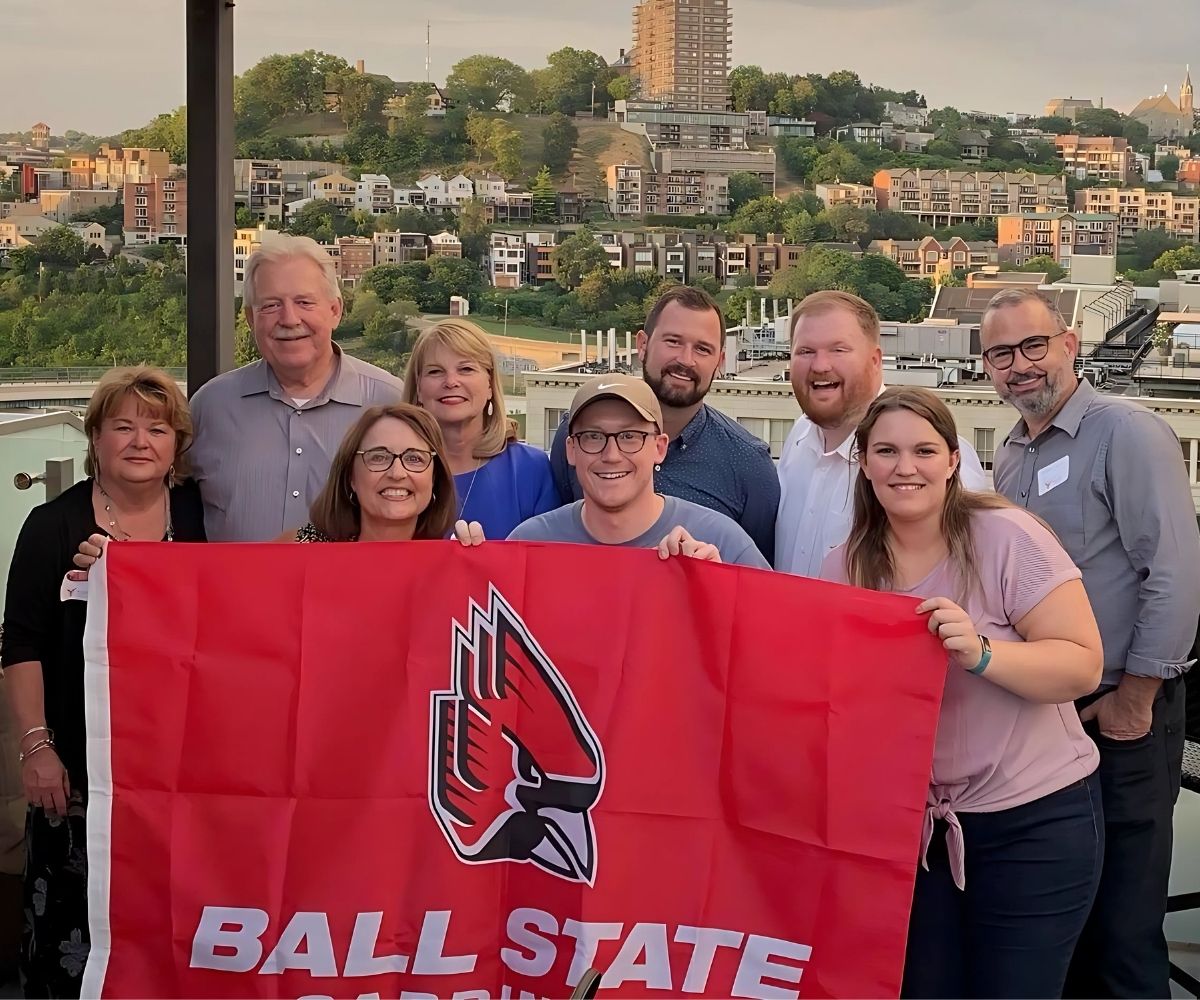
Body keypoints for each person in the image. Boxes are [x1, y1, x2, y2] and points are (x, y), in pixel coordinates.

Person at [821, 386, 1104, 999]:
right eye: (887, 451)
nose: (906, 467)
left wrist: (982, 653)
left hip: (1032, 822)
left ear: (953, 460)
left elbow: (1082, 666)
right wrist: (698, 570)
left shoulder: (1007, 536)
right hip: (914, 834)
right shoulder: (843, 567)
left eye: (925, 450)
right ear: (862, 462)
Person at [981, 287, 1200, 998]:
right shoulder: (1009, 455)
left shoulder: (1126, 432)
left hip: (1121, 717)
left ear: (1070, 345)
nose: (1019, 366)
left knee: (1124, 935)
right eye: (1000, 353)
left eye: (1033, 346)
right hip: (1047, 724)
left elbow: (1172, 571)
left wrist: (1136, 701)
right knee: (1064, 927)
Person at [0, 366, 206, 998]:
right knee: (72, 938)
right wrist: (37, 749)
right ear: (96, 438)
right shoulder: (52, 525)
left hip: (184, 772)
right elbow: (22, 643)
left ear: (176, 445)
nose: (140, 440)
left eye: (157, 427)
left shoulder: (200, 518)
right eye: (122, 426)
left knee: (173, 934)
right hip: (81, 772)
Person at [188, 234, 403, 542]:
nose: (289, 319)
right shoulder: (209, 407)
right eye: (271, 305)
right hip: (235, 591)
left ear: (335, 310)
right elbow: (159, 500)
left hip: (352, 590)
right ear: (250, 317)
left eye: (304, 302)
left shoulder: (390, 403)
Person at [549, 285, 779, 562]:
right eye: (673, 342)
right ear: (643, 345)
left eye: (702, 349)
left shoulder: (748, 464)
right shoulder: (581, 436)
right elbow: (559, 533)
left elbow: (756, 583)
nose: (685, 360)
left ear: (720, 361)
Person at [777, 291, 988, 577]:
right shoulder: (798, 438)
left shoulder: (931, 461)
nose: (820, 365)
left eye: (838, 350)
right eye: (805, 351)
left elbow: (971, 576)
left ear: (876, 359)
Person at [460, 374, 769, 569]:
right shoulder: (529, 545)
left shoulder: (721, 542)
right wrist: (466, 571)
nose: (611, 455)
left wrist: (722, 590)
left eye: (630, 437)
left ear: (659, 447)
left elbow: (774, 643)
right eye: (593, 437)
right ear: (570, 449)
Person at [402, 320, 558, 538]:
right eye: (436, 371)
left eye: (466, 369)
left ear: (489, 385)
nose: (451, 381)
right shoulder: (397, 470)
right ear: (418, 388)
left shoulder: (530, 469)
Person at [283, 403, 457, 543]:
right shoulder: (296, 550)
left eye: (414, 459)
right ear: (351, 476)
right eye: (379, 457)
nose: (397, 473)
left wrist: (474, 558)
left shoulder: (450, 562)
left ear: (434, 477)